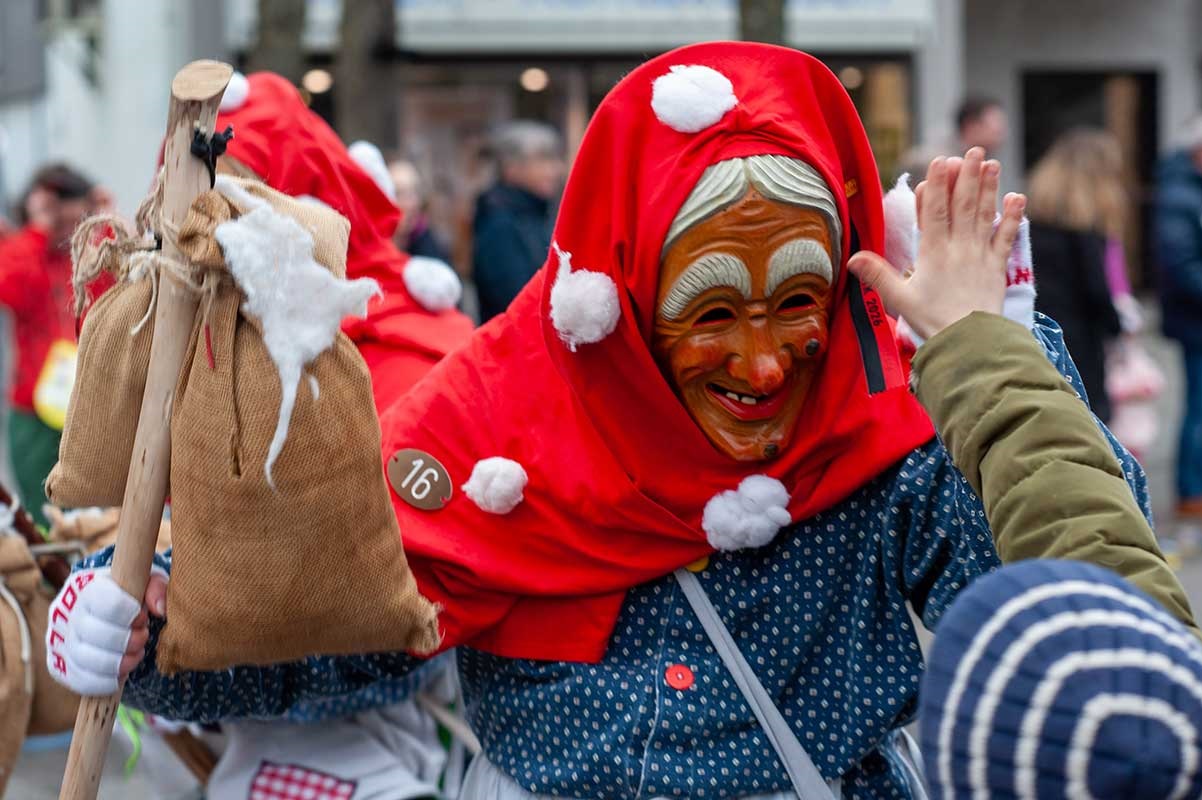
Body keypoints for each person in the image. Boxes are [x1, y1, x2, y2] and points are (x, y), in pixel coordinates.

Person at [49, 44, 1159, 799]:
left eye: (798, 303)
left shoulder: (882, 431)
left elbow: (1080, 619)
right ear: (620, 296)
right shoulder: (490, 433)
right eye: (712, 311)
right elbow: (345, 640)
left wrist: (1000, 357)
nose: (764, 362)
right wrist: (156, 632)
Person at [0, 165, 112, 528]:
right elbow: (8, 286)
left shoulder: (95, 251)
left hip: (92, 405)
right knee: (45, 520)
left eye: (67, 201)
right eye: (50, 205)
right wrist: (38, 229)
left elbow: (125, 285)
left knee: (100, 518)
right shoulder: (24, 249)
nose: (61, 215)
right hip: (35, 414)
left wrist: (105, 218)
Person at [1027, 128, 1125, 423]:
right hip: (1081, 345)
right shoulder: (1085, 231)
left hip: (1037, 335)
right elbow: (1096, 290)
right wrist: (1117, 325)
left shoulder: (1033, 222)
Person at [472, 120, 564, 322]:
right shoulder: (498, 223)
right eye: (543, 160)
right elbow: (516, 299)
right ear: (511, 168)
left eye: (555, 160)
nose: (555, 170)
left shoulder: (539, 212)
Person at [389, 158, 453, 263]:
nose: (412, 203)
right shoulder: (370, 250)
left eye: (415, 192)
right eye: (399, 194)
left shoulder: (430, 249)